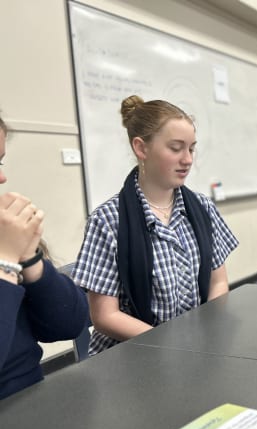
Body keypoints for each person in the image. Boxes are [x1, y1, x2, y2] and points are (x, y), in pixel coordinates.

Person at [72, 96, 238, 356]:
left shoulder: (203, 208)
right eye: (176, 148)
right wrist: (171, 342)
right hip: (132, 355)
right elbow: (105, 316)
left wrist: (208, 330)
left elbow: (218, 283)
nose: (187, 159)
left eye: (191, 149)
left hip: (192, 349)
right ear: (141, 148)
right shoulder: (108, 219)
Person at [0, 115, 88, 400]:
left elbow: (70, 324)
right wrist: (6, 263)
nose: (2, 178)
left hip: (31, 402)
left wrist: (30, 260)